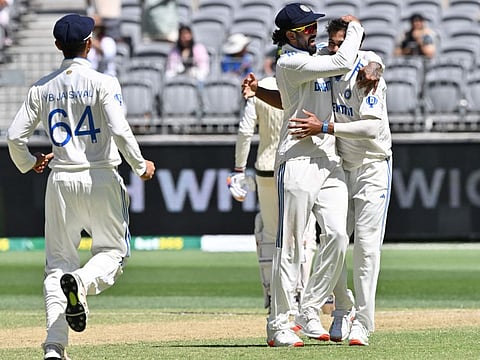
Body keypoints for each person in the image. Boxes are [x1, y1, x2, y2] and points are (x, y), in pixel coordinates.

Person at [6, 13, 156, 360]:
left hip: (60, 178)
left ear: (58, 45)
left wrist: (30, 163)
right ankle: (83, 285)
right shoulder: (105, 81)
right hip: (101, 174)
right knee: (113, 254)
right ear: (90, 43)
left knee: (58, 265)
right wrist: (140, 165)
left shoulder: (42, 86)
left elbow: (15, 137)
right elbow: (119, 130)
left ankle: (54, 347)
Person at [243, 3, 364, 347]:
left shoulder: (312, 58)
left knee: (338, 236)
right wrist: (355, 26)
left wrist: (258, 92)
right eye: (307, 28)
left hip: (329, 158)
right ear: (289, 35)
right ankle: (277, 323)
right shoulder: (290, 61)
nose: (315, 32)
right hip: (296, 160)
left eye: (315, 27)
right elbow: (342, 62)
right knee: (291, 245)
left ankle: (308, 308)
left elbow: (287, 99)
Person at [289, 18, 392, 346]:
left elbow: (371, 129)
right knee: (333, 238)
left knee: (366, 247)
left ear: (353, 43)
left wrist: (324, 128)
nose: (334, 49)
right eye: (331, 44)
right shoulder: (324, 60)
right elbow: (290, 62)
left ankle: (362, 322)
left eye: (339, 43)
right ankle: (338, 308)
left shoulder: (366, 68)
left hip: (373, 167)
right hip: (339, 165)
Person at [228, 76, 317, 314]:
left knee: (269, 233)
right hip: (297, 165)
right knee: (304, 232)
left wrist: (239, 169)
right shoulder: (304, 82)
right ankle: (300, 294)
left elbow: (245, 131)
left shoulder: (262, 87)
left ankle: (271, 292)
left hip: (266, 167)